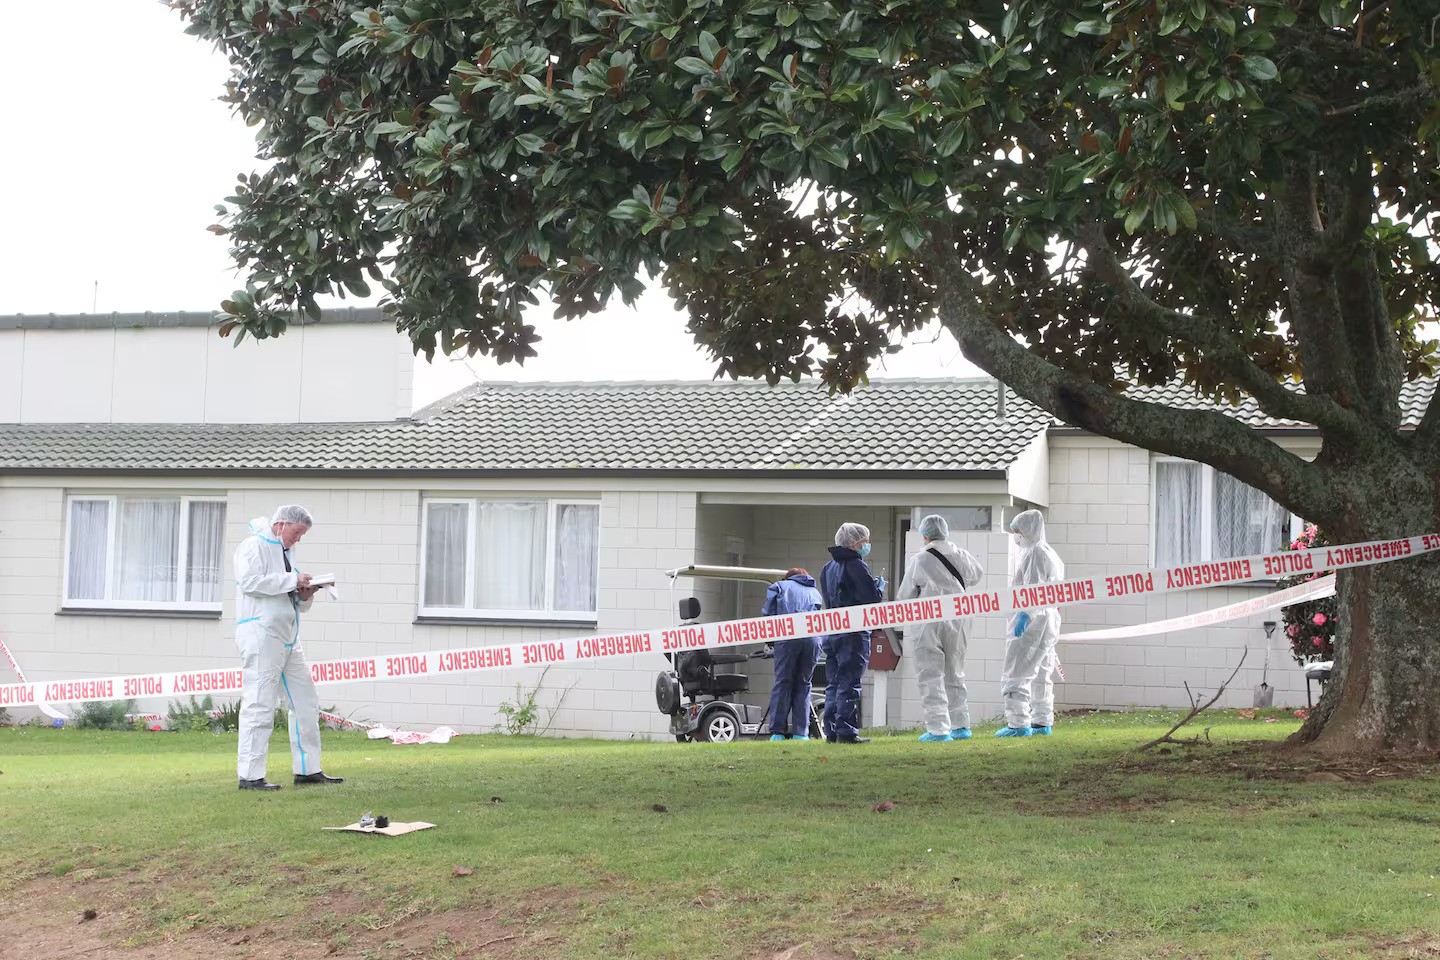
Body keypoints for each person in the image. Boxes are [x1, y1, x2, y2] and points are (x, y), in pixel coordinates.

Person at [233, 505, 343, 790]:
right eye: (297, 532)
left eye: (303, 534)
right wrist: (294, 580)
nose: (299, 539)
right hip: (261, 635)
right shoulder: (252, 546)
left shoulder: (286, 554)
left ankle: (308, 770)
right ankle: (250, 775)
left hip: (288, 638)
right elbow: (249, 582)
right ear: (282, 525)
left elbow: (290, 600)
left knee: (306, 702)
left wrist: (305, 594)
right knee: (259, 704)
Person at [898, 515, 984, 743]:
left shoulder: (921, 559)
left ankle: (938, 729)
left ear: (925, 535)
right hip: (959, 617)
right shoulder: (961, 554)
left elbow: (904, 595)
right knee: (955, 672)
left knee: (930, 674)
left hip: (929, 619)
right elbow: (977, 575)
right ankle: (961, 726)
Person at [997, 510, 1065, 738]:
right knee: (1041, 675)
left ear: (1027, 531)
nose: (1016, 536)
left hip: (1033, 622)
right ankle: (1042, 722)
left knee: (1016, 671)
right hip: (1050, 621)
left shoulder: (1035, 552)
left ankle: (1018, 724)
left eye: (1018, 531)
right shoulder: (1051, 553)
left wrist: (1025, 615)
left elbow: (1033, 589)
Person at [819, 522, 886, 745]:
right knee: (849, 682)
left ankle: (831, 731)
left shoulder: (827, 568)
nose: (867, 544)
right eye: (865, 540)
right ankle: (846, 732)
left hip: (833, 632)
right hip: (854, 633)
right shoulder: (856, 565)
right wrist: (879, 588)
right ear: (855, 543)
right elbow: (870, 598)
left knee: (834, 683)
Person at [763, 568, 824, 741]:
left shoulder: (779, 587)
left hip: (788, 637)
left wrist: (770, 642)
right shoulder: (814, 592)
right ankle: (800, 733)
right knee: (804, 685)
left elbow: (768, 615)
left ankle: (778, 733)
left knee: (783, 683)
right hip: (812, 640)